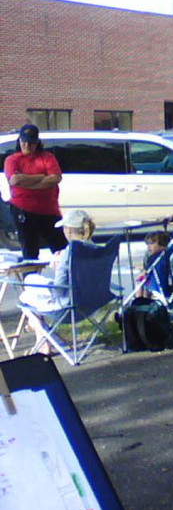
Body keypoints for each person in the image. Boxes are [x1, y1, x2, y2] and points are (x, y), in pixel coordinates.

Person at [19, 209, 97, 354]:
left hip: (68, 307)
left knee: (25, 296)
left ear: (67, 230)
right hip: (93, 302)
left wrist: (58, 265)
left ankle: (44, 342)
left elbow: (59, 290)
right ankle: (41, 340)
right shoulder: (96, 249)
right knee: (31, 283)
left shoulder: (69, 253)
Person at [3, 124, 67, 261]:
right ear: (19, 141)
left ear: (37, 142)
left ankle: (66, 279)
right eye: (23, 141)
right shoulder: (12, 159)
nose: (26, 145)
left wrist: (26, 183)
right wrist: (42, 177)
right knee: (30, 251)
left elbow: (56, 178)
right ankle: (30, 279)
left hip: (49, 211)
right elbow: (14, 180)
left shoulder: (47, 157)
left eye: (31, 143)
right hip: (23, 210)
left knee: (62, 249)